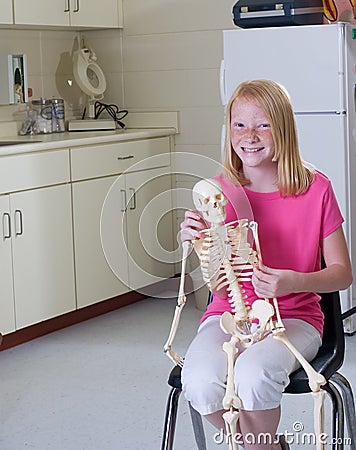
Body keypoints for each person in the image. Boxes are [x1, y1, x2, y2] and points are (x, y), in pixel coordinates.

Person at [180, 80, 353, 450]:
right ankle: (264, 447)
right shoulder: (217, 193)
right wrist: (197, 241)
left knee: (254, 374)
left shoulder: (316, 189)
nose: (249, 136)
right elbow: (217, 286)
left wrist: (294, 282)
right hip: (227, 315)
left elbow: (343, 273)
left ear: (283, 128)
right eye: (239, 124)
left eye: (263, 124)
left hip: (295, 318)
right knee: (199, 381)